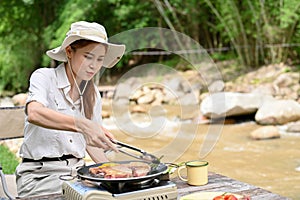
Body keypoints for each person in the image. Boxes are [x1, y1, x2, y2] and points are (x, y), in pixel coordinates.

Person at [15, 21, 125, 197]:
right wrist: (82, 125)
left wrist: (117, 172)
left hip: (79, 175)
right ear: (69, 52)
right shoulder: (44, 77)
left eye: (99, 59)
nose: (94, 65)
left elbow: (91, 144)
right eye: (88, 57)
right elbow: (34, 113)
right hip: (39, 178)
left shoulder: (93, 94)